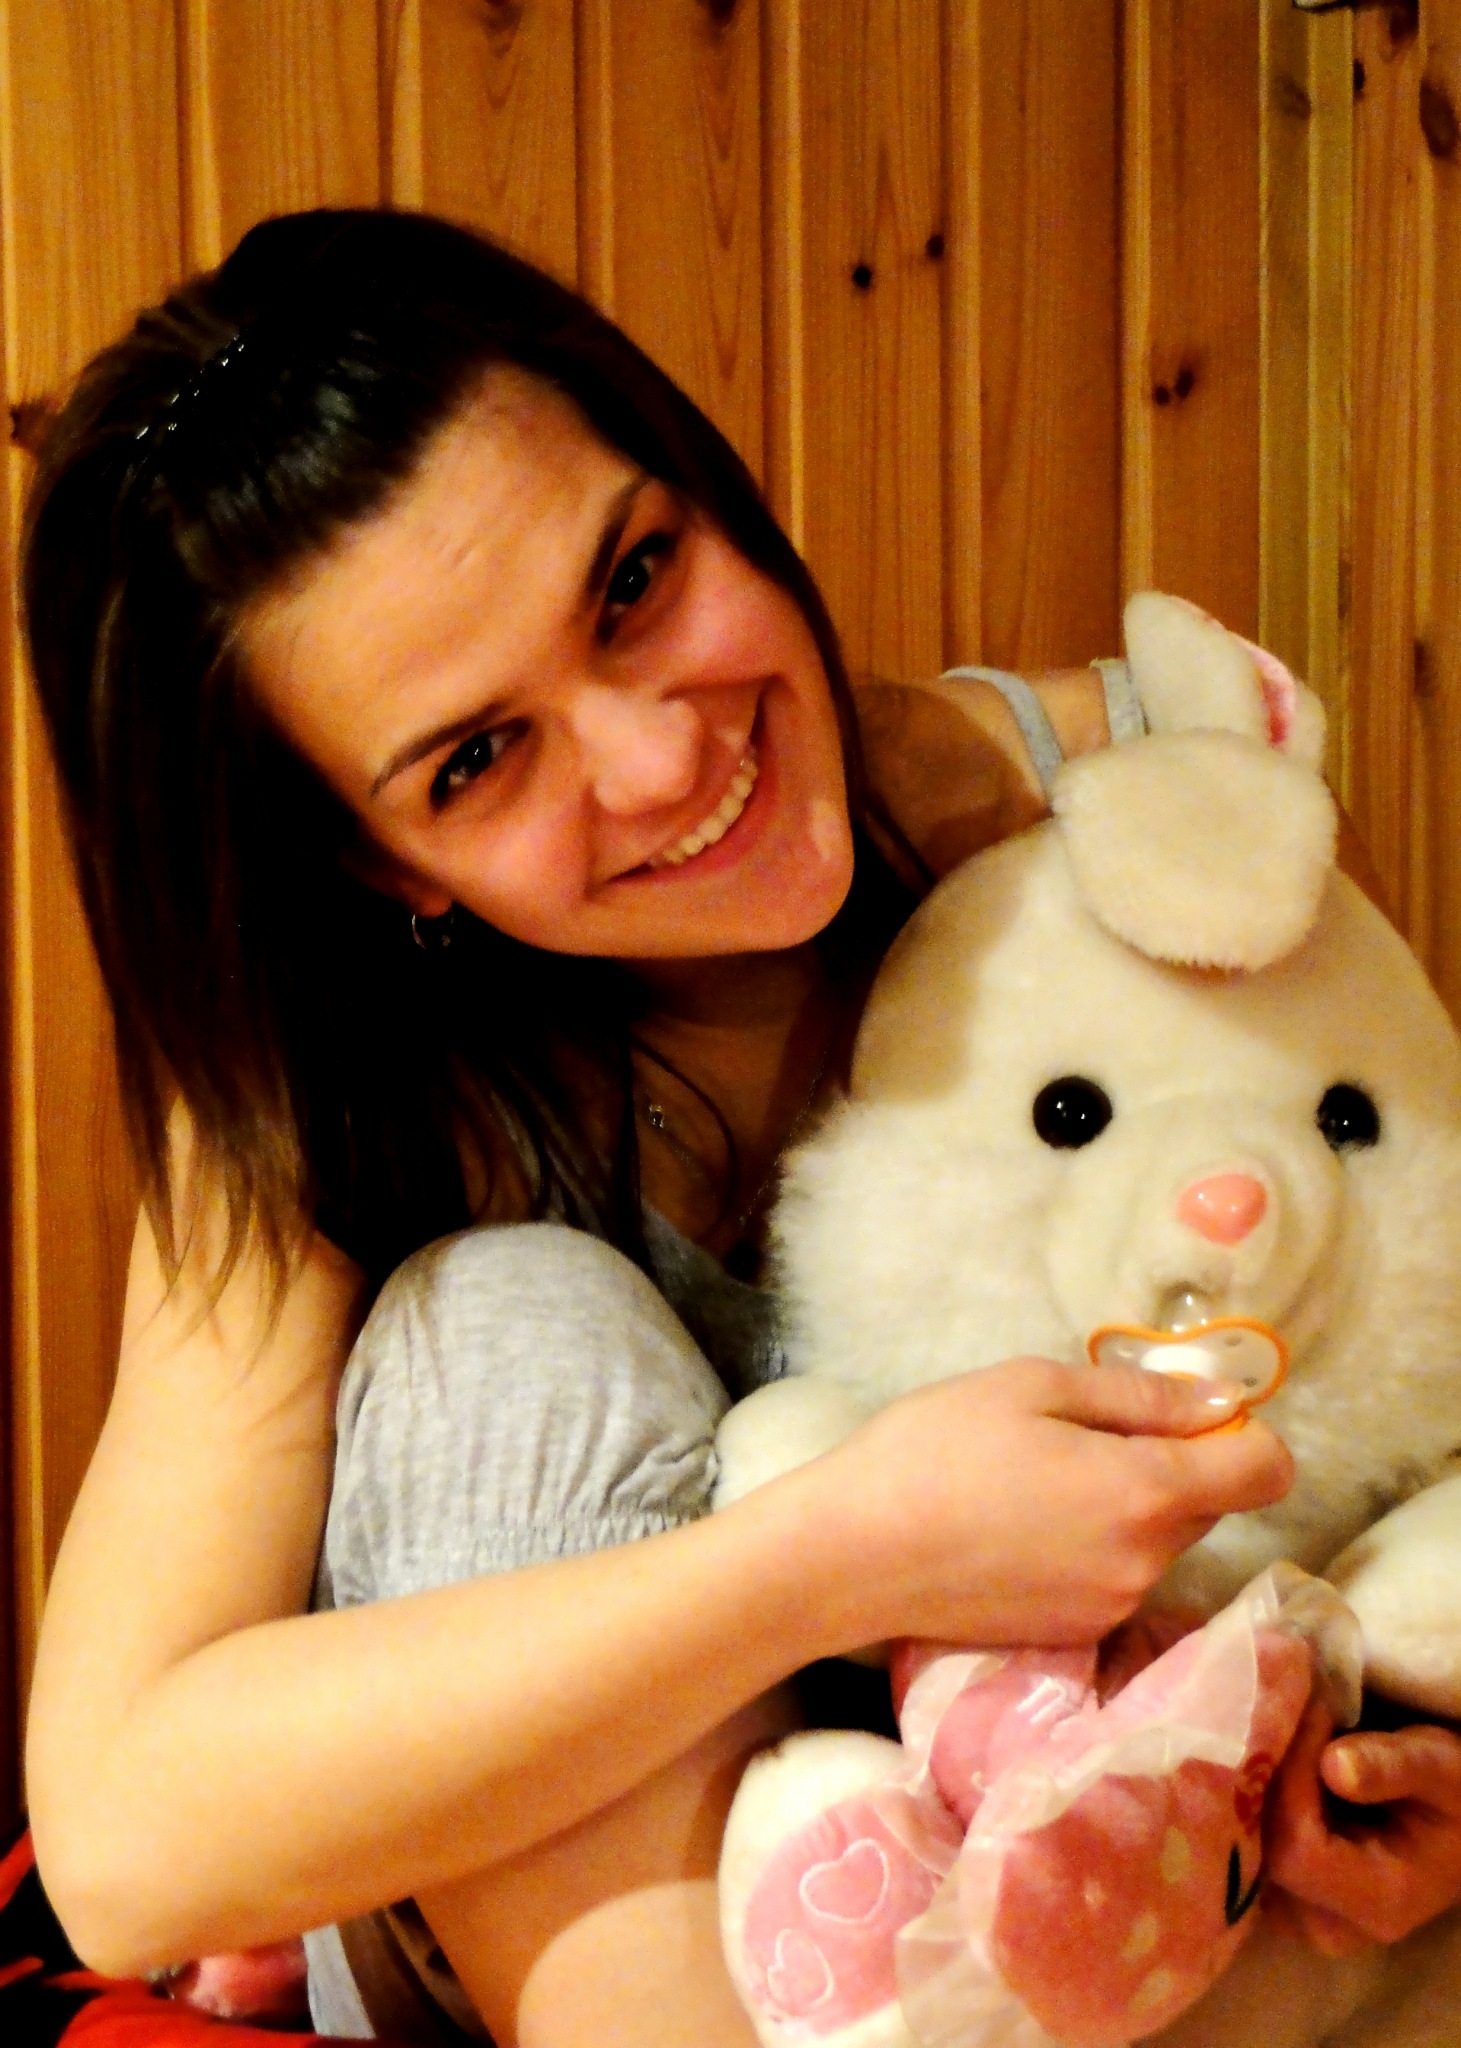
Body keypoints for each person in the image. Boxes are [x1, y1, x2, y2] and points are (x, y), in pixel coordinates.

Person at [15, 208, 1457, 2047]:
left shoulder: (1134, 818)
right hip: (597, 1928)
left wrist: (1418, 1763)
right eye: (476, 760)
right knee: (495, 1321)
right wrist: (836, 1559)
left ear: (698, 479)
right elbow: (124, 1842)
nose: (663, 759)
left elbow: (1405, 1354)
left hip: (1091, 1888)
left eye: (631, 580)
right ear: (382, 864)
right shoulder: (342, 1086)